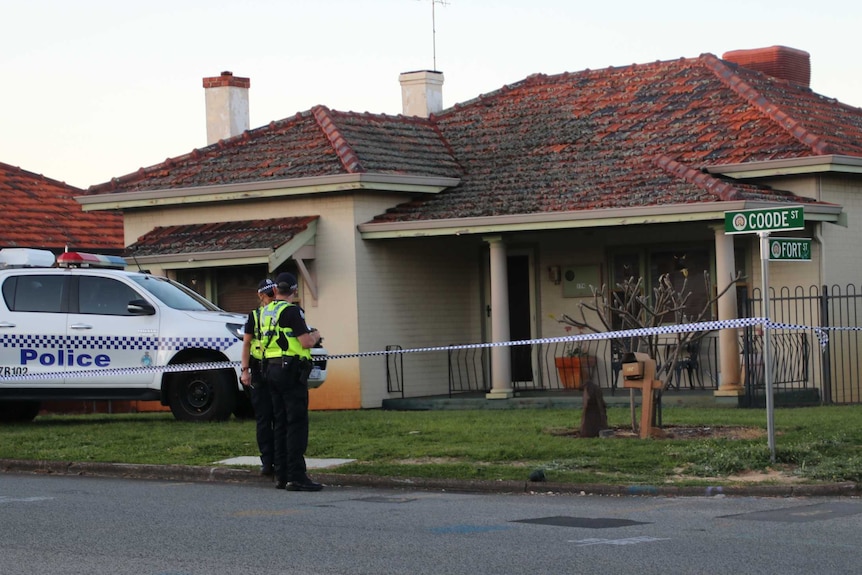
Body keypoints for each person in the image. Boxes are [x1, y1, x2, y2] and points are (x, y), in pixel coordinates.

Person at [261, 272, 323, 491]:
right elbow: (305, 342)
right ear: (295, 291)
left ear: (275, 290)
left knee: (280, 423)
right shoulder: (293, 311)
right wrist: (315, 335)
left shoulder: (265, 312)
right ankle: (296, 477)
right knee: (296, 423)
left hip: (271, 370)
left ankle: (281, 474)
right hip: (291, 372)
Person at [240, 278, 279, 477]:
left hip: (276, 369)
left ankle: (278, 460)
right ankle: (267, 461)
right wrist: (245, 370)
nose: (271, 299)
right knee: (264, 418)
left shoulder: (281, 312)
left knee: (278, 417)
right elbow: (246, 344)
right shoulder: (254, 317)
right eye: (269, 295)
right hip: (260, 370)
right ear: (261, 295)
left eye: (273, 294)